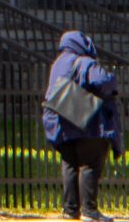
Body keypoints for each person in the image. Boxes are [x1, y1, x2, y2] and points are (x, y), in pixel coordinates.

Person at [46, 28, 121, 221]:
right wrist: (112, 80)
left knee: (69, 164)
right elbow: (102, 81)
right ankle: (89, 210)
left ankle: (70, 210)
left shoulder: (58, 63)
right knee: (90, 164)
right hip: (88, 123)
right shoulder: (85, 62)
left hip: (62, 122)